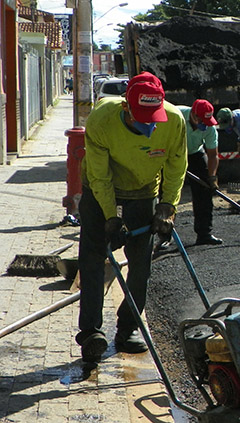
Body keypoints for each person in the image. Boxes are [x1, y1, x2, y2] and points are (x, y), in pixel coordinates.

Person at [76, 71, 187, 363]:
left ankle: (128, 328)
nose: (150, 124)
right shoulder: (102, 119)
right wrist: (111, 217)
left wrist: (167, 206)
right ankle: (90, 332)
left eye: (154, 117)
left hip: (143, 191)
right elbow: (99, 176)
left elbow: (176, 166)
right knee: (92, 259)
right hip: (102, 188)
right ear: (126, 106)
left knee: (140, 265)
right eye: (142, 117)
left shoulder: (174, 122)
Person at [178, 99, 223, 245]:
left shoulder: (209, 127)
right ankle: (164, 237)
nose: (205, 124)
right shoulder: (176, 117)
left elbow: (212, 155)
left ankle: (204, 233)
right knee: (165, 193)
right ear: (193, 115)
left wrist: (212, 177)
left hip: (195, 153)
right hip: (172, 154)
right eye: (202, 120)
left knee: (204, 191)